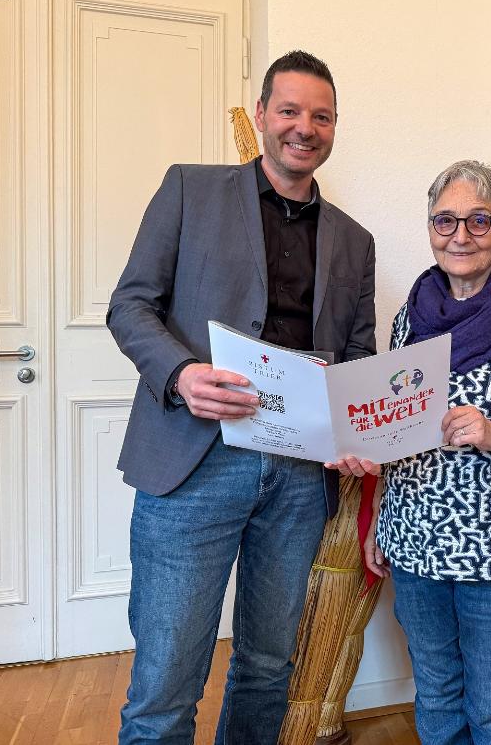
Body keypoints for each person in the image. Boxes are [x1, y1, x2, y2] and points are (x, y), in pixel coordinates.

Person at [107, 50, 376, 744]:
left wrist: (354, 431)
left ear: (336, 126)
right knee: (167, 678)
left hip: (296, 478)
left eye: (321, 116)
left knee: (268, 666)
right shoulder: (189, 190)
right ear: (261, 115)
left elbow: (355, 357)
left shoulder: (355, 241)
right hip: (193, 462)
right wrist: (180, 374)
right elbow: (131, 306)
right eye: (289, 110)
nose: (303, 127)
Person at [333, 160, 491, 745]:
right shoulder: (412, 312)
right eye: (445, 221)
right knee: (438, 697)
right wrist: (377, 516)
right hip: (414, 542)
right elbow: (390, 429)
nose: (460, 235)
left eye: (479, 220)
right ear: (429, 229)